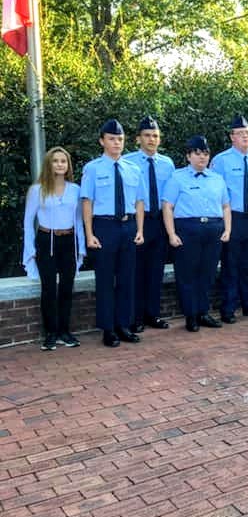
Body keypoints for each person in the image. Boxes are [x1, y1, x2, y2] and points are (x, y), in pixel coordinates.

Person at [81, 119, 145, 347]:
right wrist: (89, 234)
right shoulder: (92, 168)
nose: (117, 143)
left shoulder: (133, 169)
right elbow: (87, 202)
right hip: (104, 227)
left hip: (128, 226)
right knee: (105, 279)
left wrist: (140, 229)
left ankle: (123, 325)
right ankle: (108, 329)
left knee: (127, 278)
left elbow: (139, 201)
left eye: (120, 139)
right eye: (112, 139)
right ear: (102, 141)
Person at [162, 136, 231, 331]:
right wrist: (171, 234)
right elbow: (167, 206)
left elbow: (226, 206)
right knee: (187, 274)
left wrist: (227, 229)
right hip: (188, 229)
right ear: (188, 156)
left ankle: (203, 312)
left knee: (207, 273)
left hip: (213, 230)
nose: (202, 157)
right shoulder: (177, 177)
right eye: (197, 153)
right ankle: (190, 315)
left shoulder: (217, 179)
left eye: (206, 154)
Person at [22, 147, 86, 350]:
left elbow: (79, 220)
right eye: (55, 161)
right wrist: (30, 248)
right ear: (48, 164)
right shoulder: (37, 190)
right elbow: (28, 221)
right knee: (49, 288)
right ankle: (50, 333)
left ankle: (64, 332)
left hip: (69, 241)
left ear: (68, 165)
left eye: (63, 161)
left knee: (67, 287)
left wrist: (81, 246)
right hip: (46, 240)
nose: (59, 164)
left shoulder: (75, 190)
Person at [210, 114, 248, 323]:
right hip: (233, 219)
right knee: (231, 265)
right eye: (241, 133)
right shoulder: (221, 161)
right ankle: (228, 308)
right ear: (232, 136)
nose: (246, 136)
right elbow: (215, 193)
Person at [122, 116, 175, 333]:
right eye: (147, 135)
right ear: (138, 139)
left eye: (155, 136)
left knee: (156, 270)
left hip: (160, 222)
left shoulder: (168, 163)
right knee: (136, 270)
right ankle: (135, 317)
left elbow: (171, 196)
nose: (151, 139)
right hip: (138, 221)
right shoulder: (128, 162)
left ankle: (153, 314)